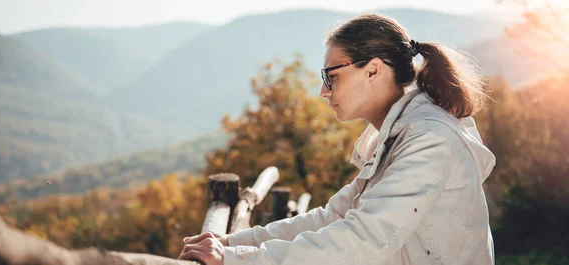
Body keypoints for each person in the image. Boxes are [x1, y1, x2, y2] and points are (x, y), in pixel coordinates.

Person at [178, 13, 496, 265]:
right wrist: (232, 243)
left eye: (331, 76)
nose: (323, 91)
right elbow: (332, 218)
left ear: (373, 71)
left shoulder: (429, 140)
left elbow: (364, 237)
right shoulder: (399, 134)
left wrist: (236, 260)